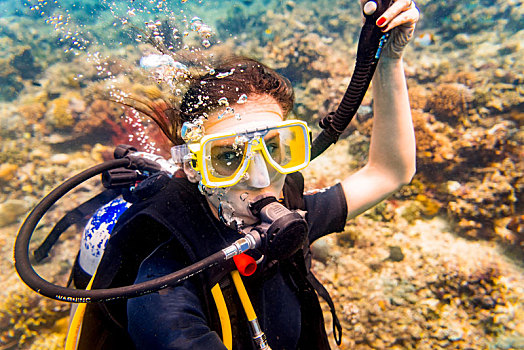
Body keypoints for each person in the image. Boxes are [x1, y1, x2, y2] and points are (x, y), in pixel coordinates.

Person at [78, 0, 419, 349]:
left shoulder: (292, 211)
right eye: (228, 156)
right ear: (194, 167)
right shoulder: (166, 279)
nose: (260, 179)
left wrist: (389, 59)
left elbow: (390, 171)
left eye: (273, 148)